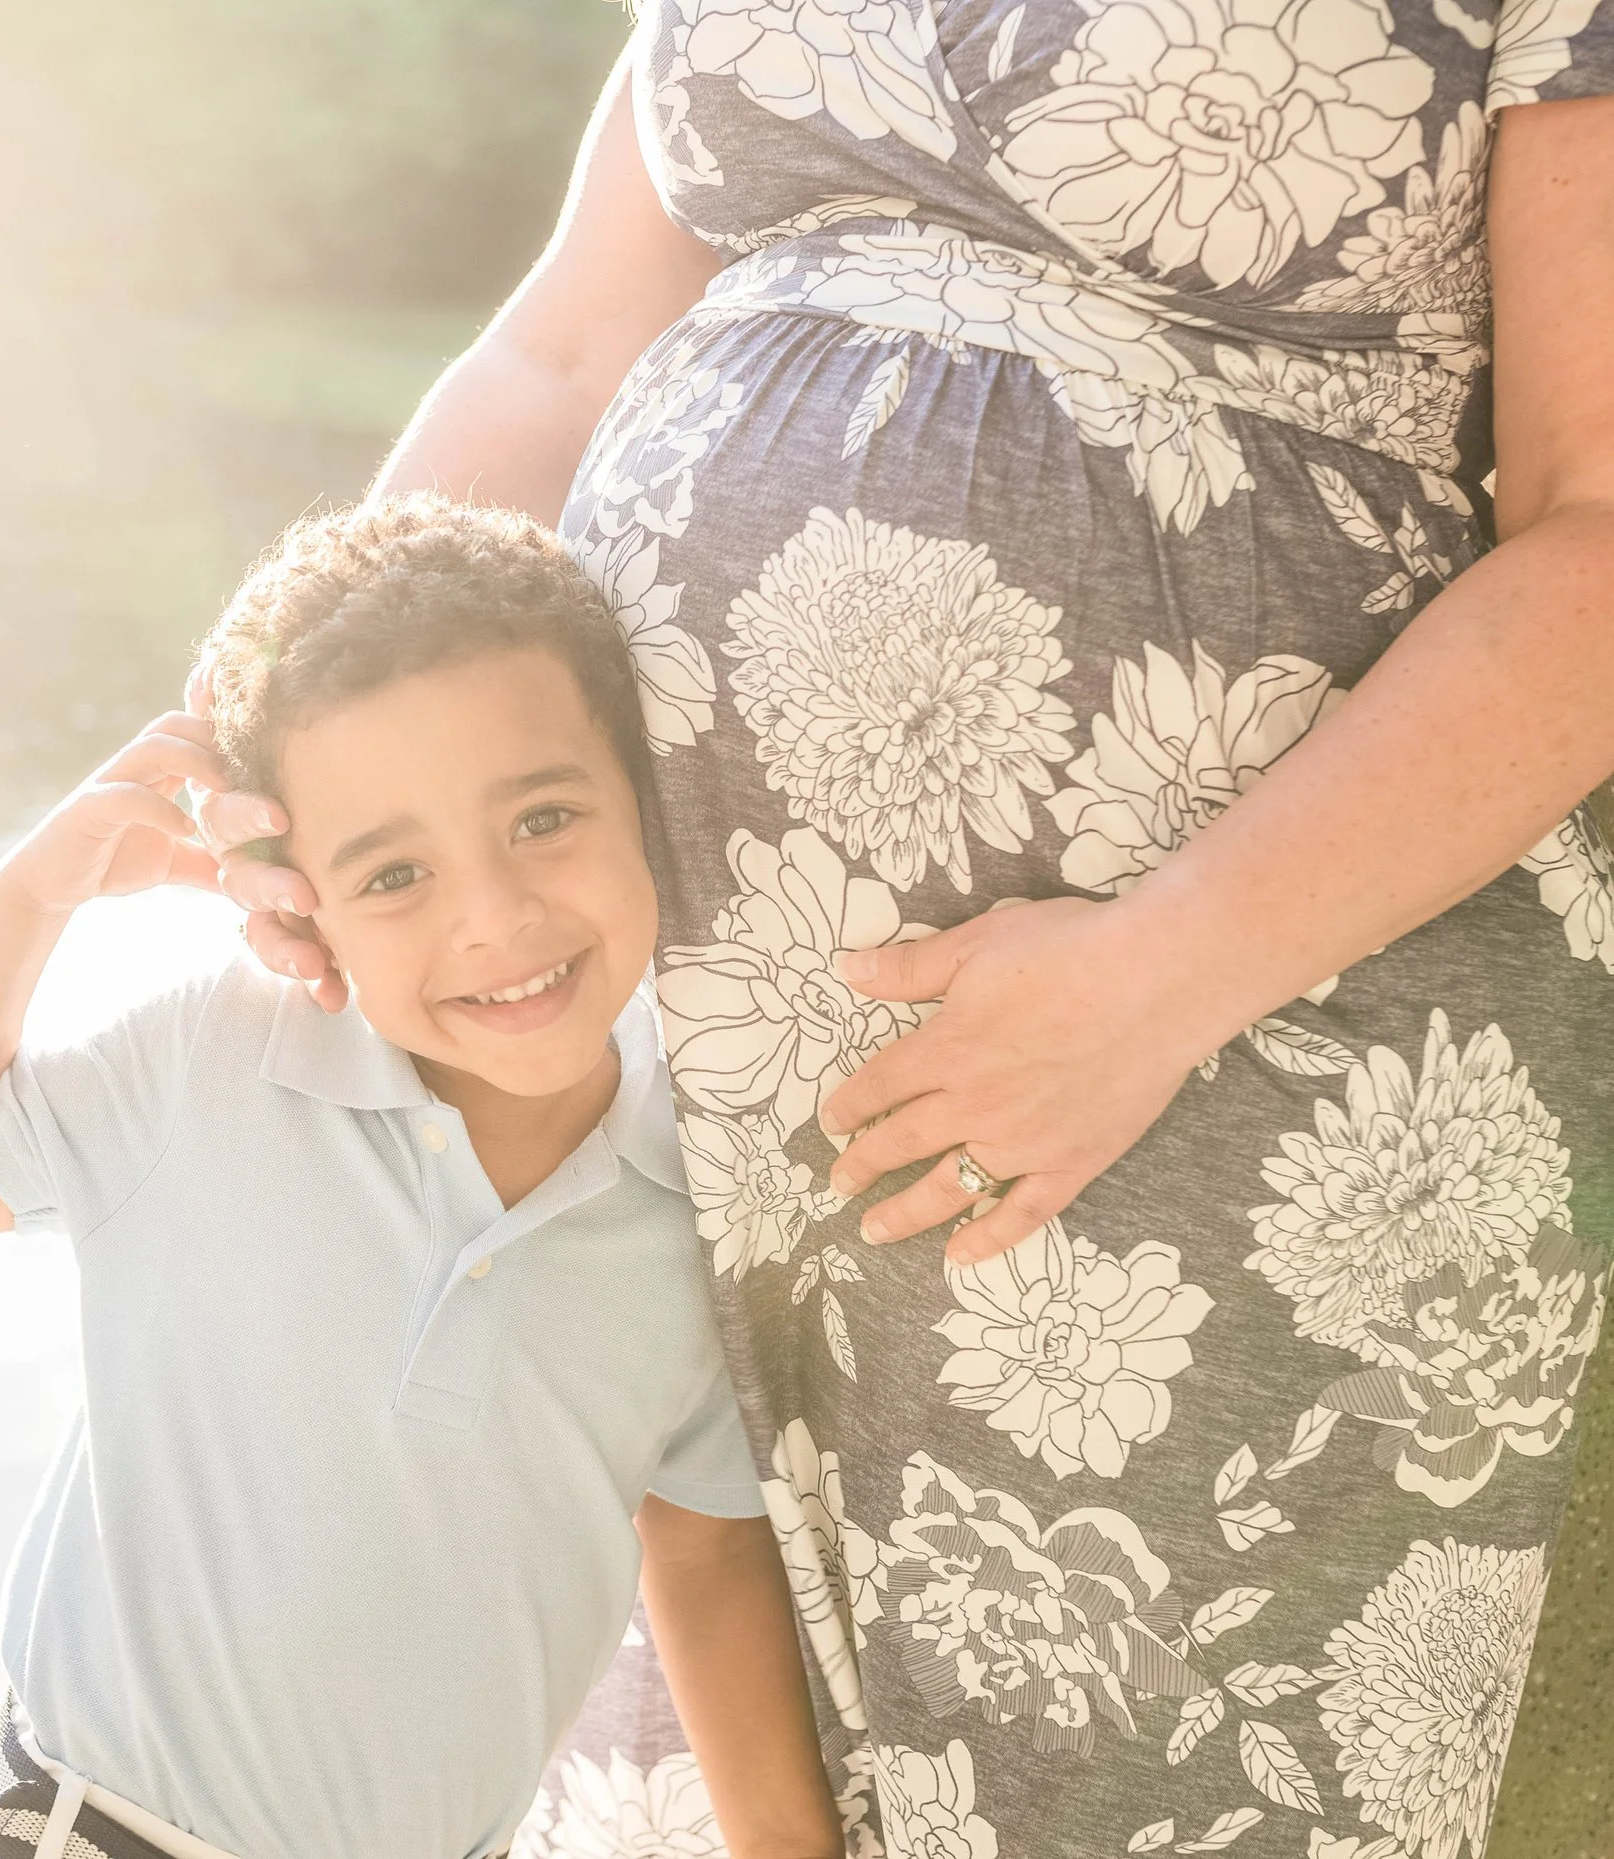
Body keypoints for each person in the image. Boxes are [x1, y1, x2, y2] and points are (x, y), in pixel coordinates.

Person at [199, 7, 1614, 1856]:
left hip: (1235, 1043)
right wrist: (283, 749)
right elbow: (556, 355)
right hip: (681, 1042)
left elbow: (1597, 524)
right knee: (712, 1735)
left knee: (1137, 1768)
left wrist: (1159, 974)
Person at [0, 497, 843, 1859]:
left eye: (543, 817)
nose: (493, 918)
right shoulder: (209, 1060)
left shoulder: (699, 1188)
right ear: (298, 892)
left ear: (644, 798)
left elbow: (707, 1549)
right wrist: (41, 888)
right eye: (396, 872)